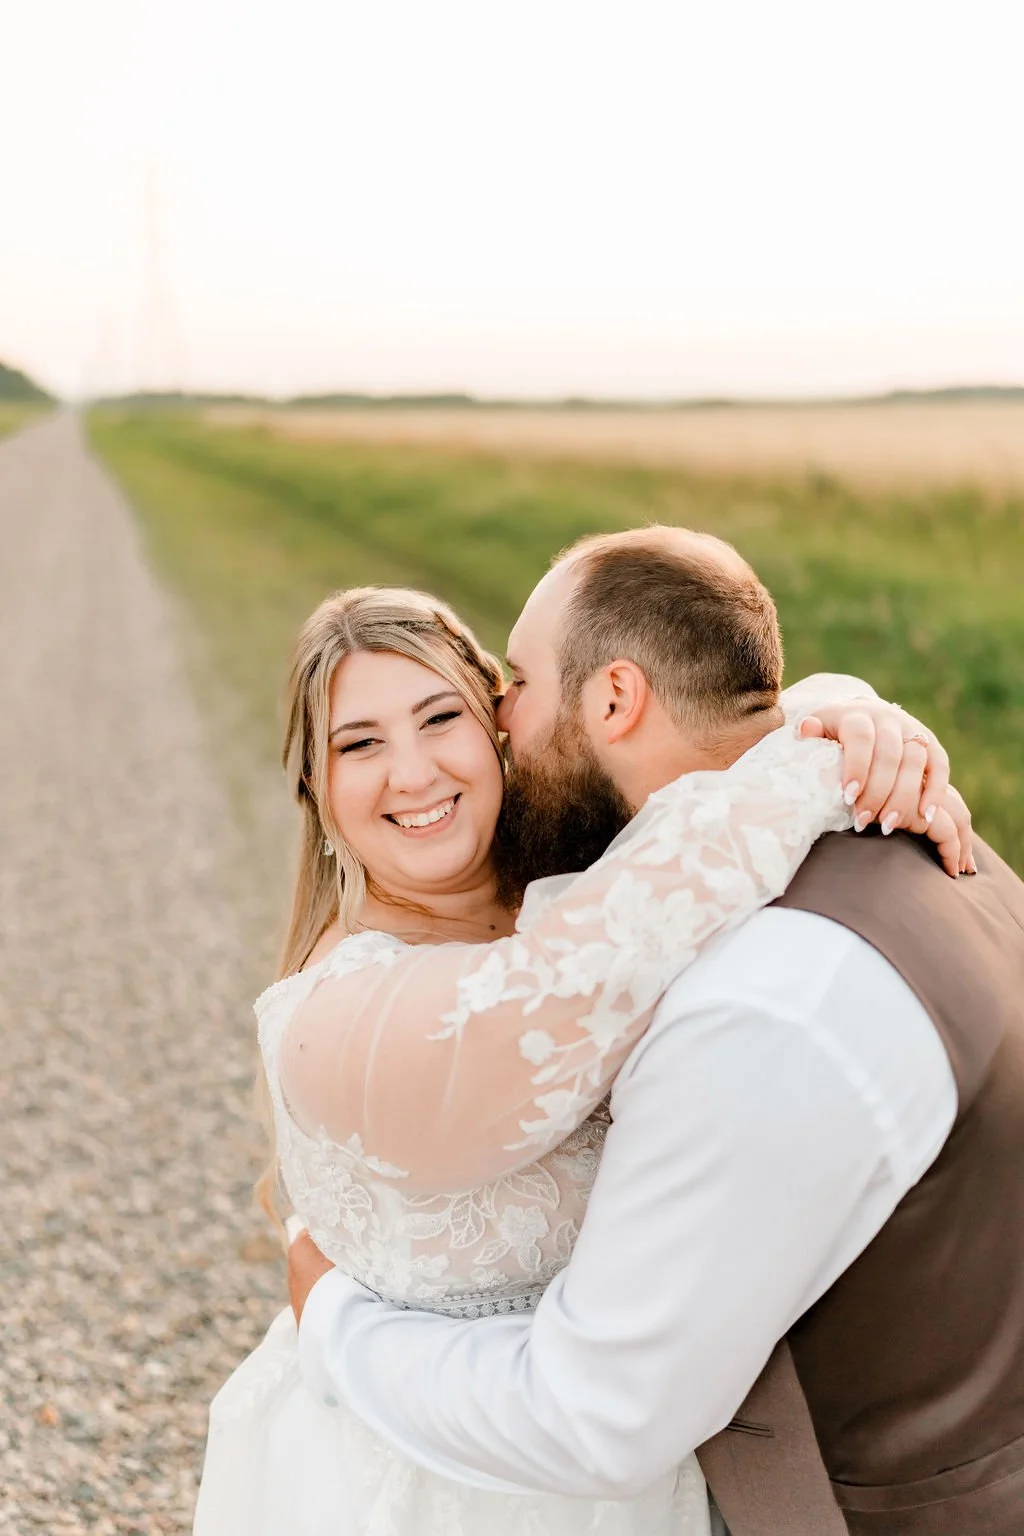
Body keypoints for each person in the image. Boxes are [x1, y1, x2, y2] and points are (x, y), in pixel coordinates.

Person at [195, 529, 973, 1536]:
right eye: (359, 744)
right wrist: (822, 764)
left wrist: (854, 716)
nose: (415, 771)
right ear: (315, 788)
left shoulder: (584, 871)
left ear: (503, 728)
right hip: (432, 1482)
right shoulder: (335, 1020)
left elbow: (701, 757)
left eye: (445, 717)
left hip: (640, 1462)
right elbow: (576, 973)